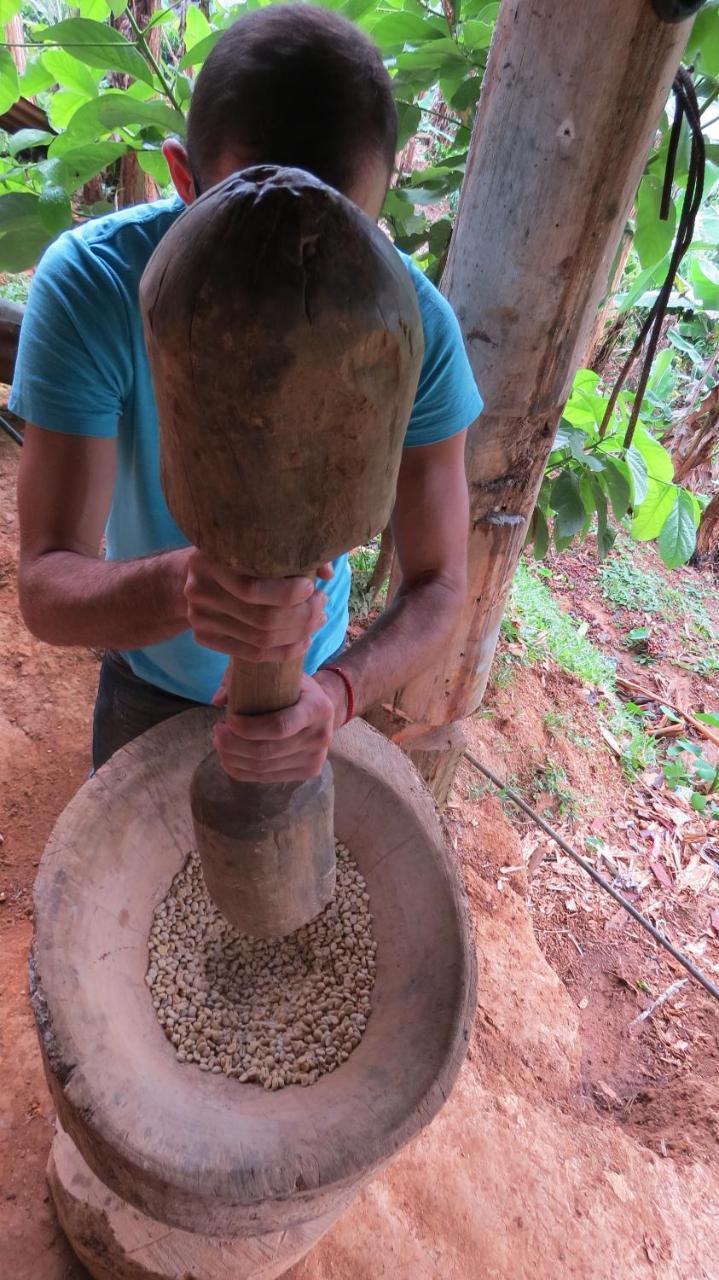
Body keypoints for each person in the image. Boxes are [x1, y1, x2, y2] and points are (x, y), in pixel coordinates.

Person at [12, 5, 482, 783]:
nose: (298, 277)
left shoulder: (412, 327)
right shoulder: (94, 286)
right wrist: (181, 588)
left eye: (346, 238)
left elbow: (441, 583)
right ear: (181, 176)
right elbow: (44, 584)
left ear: (381, 206)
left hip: (306, 696)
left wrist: (334, 692)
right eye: (248, 230)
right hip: (148, 684)